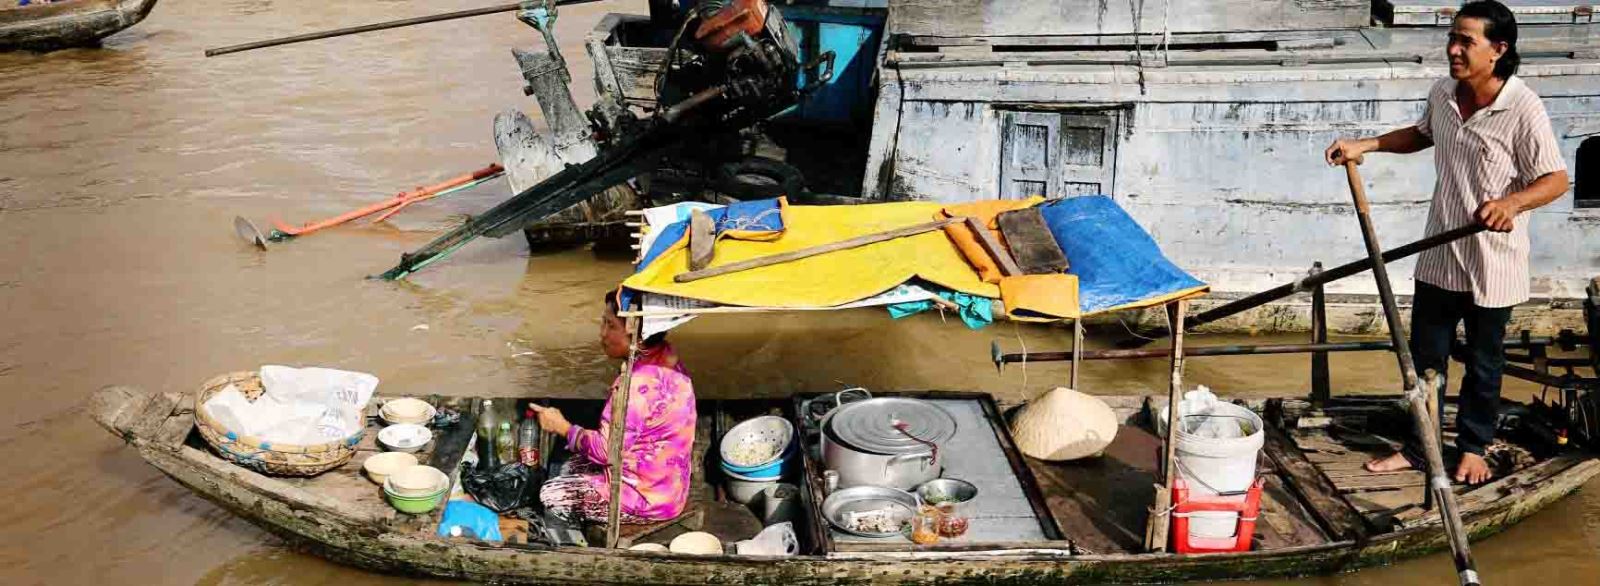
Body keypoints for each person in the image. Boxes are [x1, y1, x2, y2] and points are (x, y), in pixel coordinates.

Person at [1324, 0, 1569, 485]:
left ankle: (1474, 446)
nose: (1454, 50)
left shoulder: (1521, 106)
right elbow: (1422, 134)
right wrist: (1366, 144)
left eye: (1466, 42)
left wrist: (1513, 204)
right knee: (1424, 359)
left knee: (1483, 361)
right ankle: (1420, 447)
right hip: (1440, 253)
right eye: (1452, 39)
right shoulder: (1444, 93)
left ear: (1498, 50)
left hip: (1492, 261)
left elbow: (1557, 179)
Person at [530, 291, 696, 523]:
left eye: (610, 325)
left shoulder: (635, 388)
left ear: (637, 336)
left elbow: (606, 452)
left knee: (550, 494)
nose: (602, 333)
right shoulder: (666, 356)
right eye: (603, 323)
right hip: (669, 486)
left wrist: (563, 427)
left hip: (649, 499)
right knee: (570, 464)